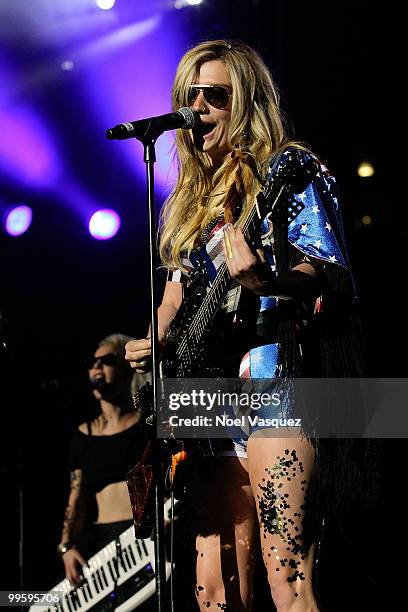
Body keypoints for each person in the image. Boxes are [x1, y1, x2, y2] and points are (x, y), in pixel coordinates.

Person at [125, 40, 366, 612]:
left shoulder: (288, 170)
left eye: (215, 96)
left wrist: (266, 281)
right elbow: (175, 295)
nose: (199, 108)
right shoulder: (190, 199)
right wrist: (154, 338)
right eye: (191, 96)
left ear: (247, 101)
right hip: (210, 394)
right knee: (214, 588)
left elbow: (328, 269)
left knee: (286, 574)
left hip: (277, 383)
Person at [58, 333, 150, 586]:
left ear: (125, 369)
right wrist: (67, 546)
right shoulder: (83, 435)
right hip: (102, 540)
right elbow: (75, 498)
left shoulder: (146, 426)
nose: (96, 367)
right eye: (92, 363)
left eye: (106, 361)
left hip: (145, 535)